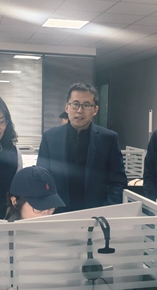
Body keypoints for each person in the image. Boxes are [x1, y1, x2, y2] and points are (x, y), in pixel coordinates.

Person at [37, 83, 127, 212]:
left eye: (86, 105)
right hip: (57, 213)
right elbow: (41, 178)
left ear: (95, 110)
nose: (80, 110)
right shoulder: (50, 137)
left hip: (96, 214)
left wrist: (106, 210)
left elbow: (118, 182)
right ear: (67, 107)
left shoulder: (108, 139)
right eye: (75, 104)